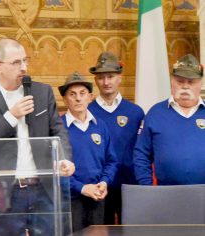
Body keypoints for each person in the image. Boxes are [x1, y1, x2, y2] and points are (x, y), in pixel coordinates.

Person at [0, 38, 74, 235]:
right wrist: (11, 117)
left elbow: (58, 130)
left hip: (43, 187)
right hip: (6, 192)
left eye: (25, 60)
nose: (24, 67)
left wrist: (64, 158)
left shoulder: (42, 92)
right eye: (16, 63)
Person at [88, 52, 144, 224]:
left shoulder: (135, 112)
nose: (106, 82)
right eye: (101, 77)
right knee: (101, 230)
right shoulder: (87, 112)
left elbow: (143, 150)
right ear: (96, 80)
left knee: (132, 230)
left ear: (119, 77)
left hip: (130, 185)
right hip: (99, 187)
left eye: (110, 76)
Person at [134, 54, 205, 185]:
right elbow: (141, 154)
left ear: (200, 83)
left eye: (191, 82)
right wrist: (146, 186)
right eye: (180, 81)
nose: (185, 86)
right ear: (172, 81)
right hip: (165, 194)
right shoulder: (156, 113)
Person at [59, 72, 117, 232]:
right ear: (64, 99)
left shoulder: (100, 126)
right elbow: (55, 169)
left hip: (97, 198)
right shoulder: (58, 129)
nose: (78, 98)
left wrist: (104, 183)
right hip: (71, 200)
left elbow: (111, 161)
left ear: (90, 97)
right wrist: (82, 188)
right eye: (72, 94)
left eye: (82, 93)